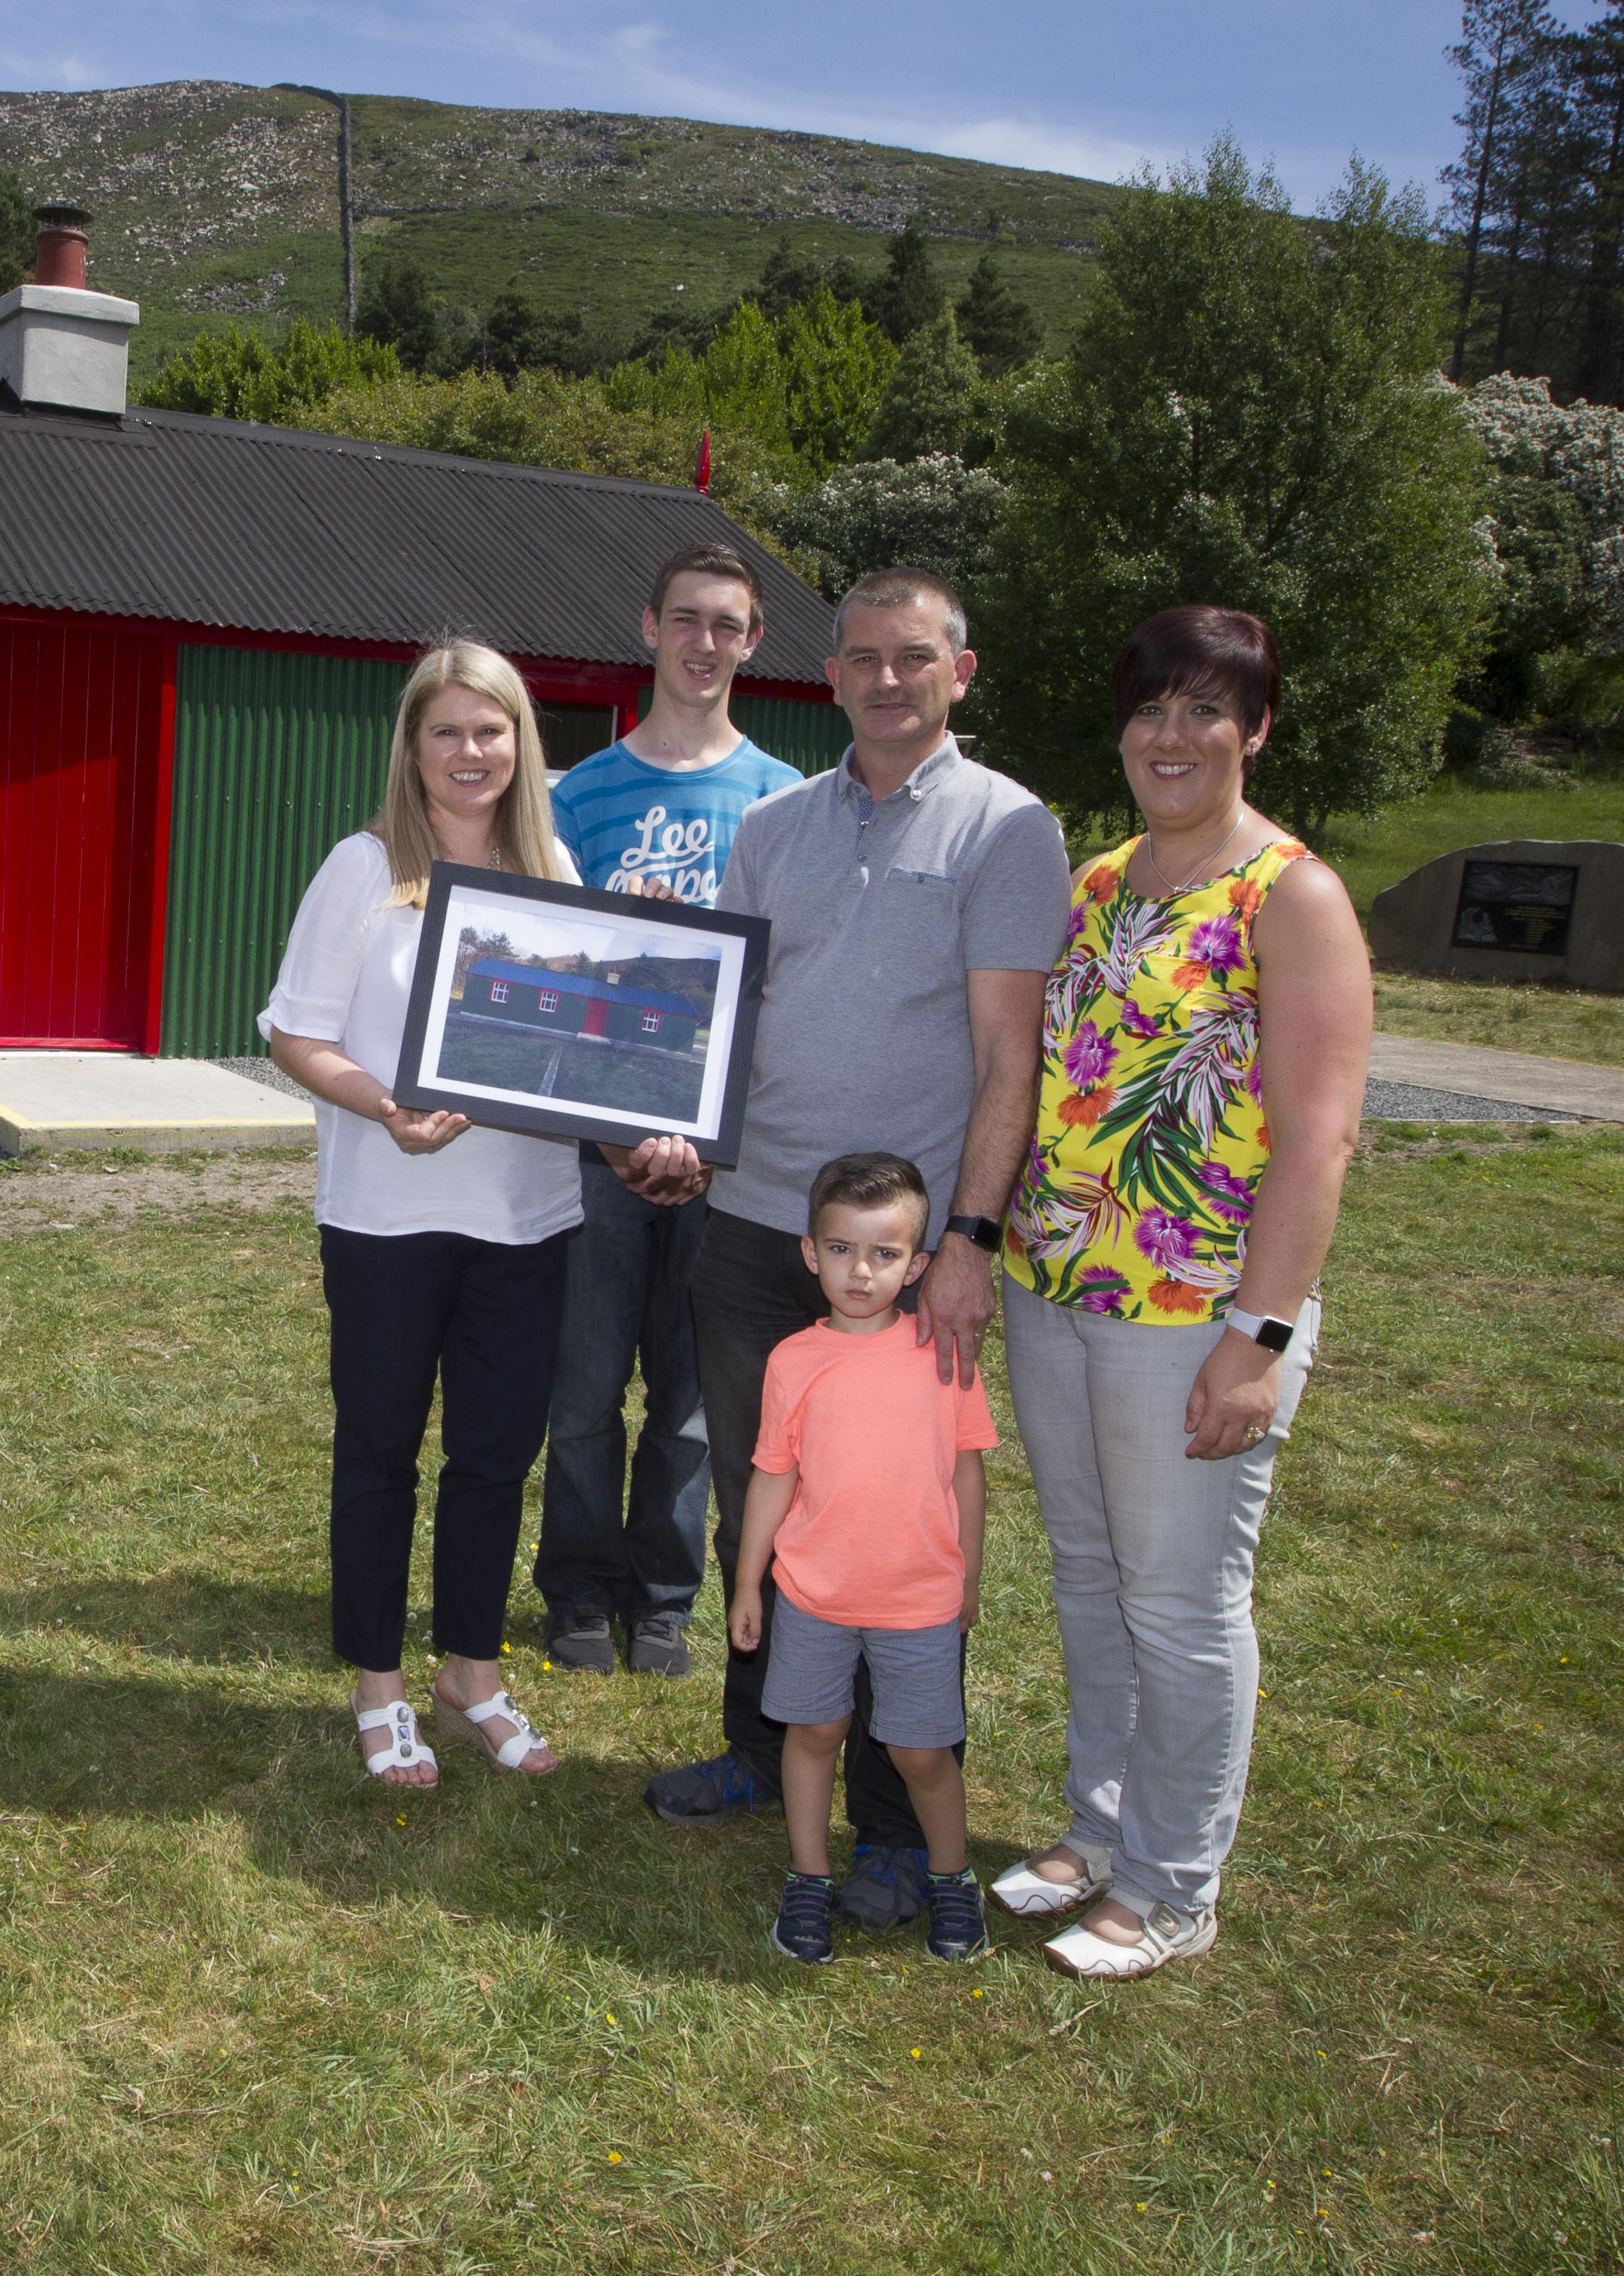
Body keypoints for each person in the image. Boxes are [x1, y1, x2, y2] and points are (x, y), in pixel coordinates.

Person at [624, 566, 1071, 1940]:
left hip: (900, 1257)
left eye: (915, 657)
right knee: (775, 1502)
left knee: (890, 1525)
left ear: (960, 670)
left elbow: (1011, 1052)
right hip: (754, 1227)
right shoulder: (770, 825)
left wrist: (966, 1239)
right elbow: (729, 1012)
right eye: (864, 656)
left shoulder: (1009, 829)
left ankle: (887, 1815)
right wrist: (677, 1132)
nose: (888, 678)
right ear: (826, 674)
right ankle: (765, 1750)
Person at [992, 605, 1370, 1978]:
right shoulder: (1096, 884)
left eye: (1206, 708)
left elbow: (1318, 1133)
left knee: (1180, 1597)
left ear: (1255, 727)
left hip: (1196, 1313)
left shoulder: (1291, 896)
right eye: (1151, 706)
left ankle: (1171, 1883)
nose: (1172, 734)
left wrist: (1257, 1338)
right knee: (1091, 1580)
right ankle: (1098, 1832)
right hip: (1058, 1287)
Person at [263, 640, 585, 1787]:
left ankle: (470, 1673)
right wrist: (380, 1102)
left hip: (526, 1214)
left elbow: (582, 1040)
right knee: (380, 1452)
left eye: (488, 730)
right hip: (386, 1215)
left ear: (518, 743)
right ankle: (377, 1685)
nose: (469, 753)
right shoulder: (361, 868)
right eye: (444, 731)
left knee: (495, 1456)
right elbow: (292, 1031)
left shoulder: (554, 864)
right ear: (410, 745)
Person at [535, 544, 802, 1679]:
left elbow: (789, 981)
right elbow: (548, 971)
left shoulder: (783, 800)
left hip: (724, 1157)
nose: (703, 642)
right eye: (685, 619)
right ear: (646, 627)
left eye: (726, 625)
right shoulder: (573, 796)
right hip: (594, 1151)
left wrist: (702, 1137)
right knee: (584, 1386)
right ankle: (578, 1591)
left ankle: (664, 1597)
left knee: (694, 1403)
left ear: (752, 643)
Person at [729, 1153, 995, 1965]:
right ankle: (807, 1877)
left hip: (918, 1597)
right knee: (813, 1731)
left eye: (884, 1254)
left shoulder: (942, 1354)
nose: (860, 1270)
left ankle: (952, 1878)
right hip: (812, 1594)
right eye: (841, 1248)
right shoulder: (793, 1361)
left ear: (916, 1265)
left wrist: (969, 1577)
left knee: (921, 1751)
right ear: (812, 1252)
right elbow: (772, 1475)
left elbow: (967, 1472)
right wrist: (749, 1582)